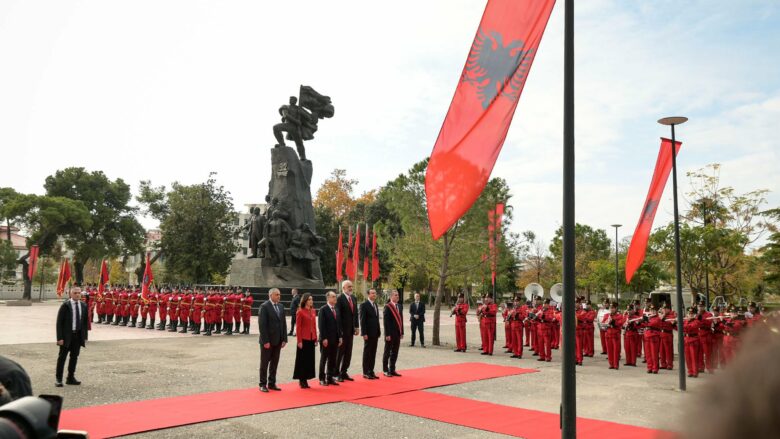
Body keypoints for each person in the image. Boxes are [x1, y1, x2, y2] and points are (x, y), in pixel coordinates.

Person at [55, 286, 89, 387]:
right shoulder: (65, 305)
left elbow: (84, 322)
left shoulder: (83, 305)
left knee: (74, 357)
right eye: (75, 293)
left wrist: (84, 336)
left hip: (77, 336)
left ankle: (70, 378)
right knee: (62, 358)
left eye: (79, 293)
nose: (77, 294)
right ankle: (58, 379)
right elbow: (59, 323)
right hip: (66, 336)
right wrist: (59, 338)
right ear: (70, 294)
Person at [258, 288, 288, 392]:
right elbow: (262, 325)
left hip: (278, 340)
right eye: (277, 295)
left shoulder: (281, 306)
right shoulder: (264, 306)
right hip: (268, 341)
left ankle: (272, 383)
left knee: (274, 363)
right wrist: (265, 341)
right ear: (270, 295)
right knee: (264, 363)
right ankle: (262, 384)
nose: (279, 296)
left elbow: (283, 323)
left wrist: (284, 338)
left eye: (279, 294)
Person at [335, 280, 359, 382]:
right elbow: (338, 316)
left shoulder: (353, 298)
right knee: (340, 353)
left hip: (351, 331)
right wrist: (339, 331)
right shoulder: (339, 298)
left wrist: (356, 326)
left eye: (351, 286)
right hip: (342, 331)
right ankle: (336, 373)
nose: (351, 288)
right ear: (343, 288)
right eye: (349, 286)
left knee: (348, 353)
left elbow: (356, 313)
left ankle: (344, 371)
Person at [293, 293, 317, 389]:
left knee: (309, 360)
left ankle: (306, 378)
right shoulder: (300, 312)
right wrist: (299, 341)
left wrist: (316, 338)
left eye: (312, 299)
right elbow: (298, 327)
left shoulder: (313, 311)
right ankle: (301, 379)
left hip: (311, 338)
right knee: (302, 360)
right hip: (303, 339)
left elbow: (314, 326)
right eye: (309, 299)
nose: (311, 301)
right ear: (305, 301)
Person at [318, 291, 342, 386]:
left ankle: (330, 377)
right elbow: (321, 325)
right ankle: (321, 378)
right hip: (326, 339)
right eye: (333, 297)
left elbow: (338, 325)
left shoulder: (336, 309)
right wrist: (324, 338)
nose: (335, 298)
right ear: (328, 298)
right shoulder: (323, 309)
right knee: (324, 359)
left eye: (335, 296)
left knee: (332, 359)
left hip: (335, 339)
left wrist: (340, 336)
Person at [360, 288, 381, 379]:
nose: (374, 295)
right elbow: (362, 320)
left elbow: (376, 319)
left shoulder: (375, 304)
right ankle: (365, 372)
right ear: (368, 294)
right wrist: (364, 333)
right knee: (367, 353)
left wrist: (379, 331)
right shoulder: (364, 305)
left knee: (373, 353)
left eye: (375, 293)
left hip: (375, 333)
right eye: (372, 293)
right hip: (368, 333)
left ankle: (371, 371)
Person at [382, 289, 404, 377]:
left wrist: (402, 332)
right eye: (395, 295)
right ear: (391, 296)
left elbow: (401, 320)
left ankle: (392, 369)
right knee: (387, 352)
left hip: (397, 333)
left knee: (395, 352)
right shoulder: (387, 307)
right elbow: (385, 322)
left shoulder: (400, 306)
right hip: (390, 334)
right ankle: (385, 370)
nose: (397, 296)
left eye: (398, 295)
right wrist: (387, 334)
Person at [602, 302, 624, 370]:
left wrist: (614, 322)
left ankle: (615, 365)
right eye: (611, 308)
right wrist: (607, 322)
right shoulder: (606, 315)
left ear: (616, 308)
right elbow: (603, 322)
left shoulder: (619, 316)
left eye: (613, 308)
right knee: (609, 350)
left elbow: (620, 323)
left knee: (616, 351)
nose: (612, 309)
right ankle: (611, 364)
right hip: (608, 334)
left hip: (615, 335)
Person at [683, 307, 701, 378]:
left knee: (694, 357)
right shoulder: (686, 321)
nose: (690, 315)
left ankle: (695, 372)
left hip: (693, 339)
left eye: (692, 314)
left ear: (694, 315)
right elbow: (681, 328)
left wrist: (685, 323)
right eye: (689, 314)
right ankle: (690, 371)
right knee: (687, 357)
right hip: (686, 339)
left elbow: (690, 327)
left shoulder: (696, 321)